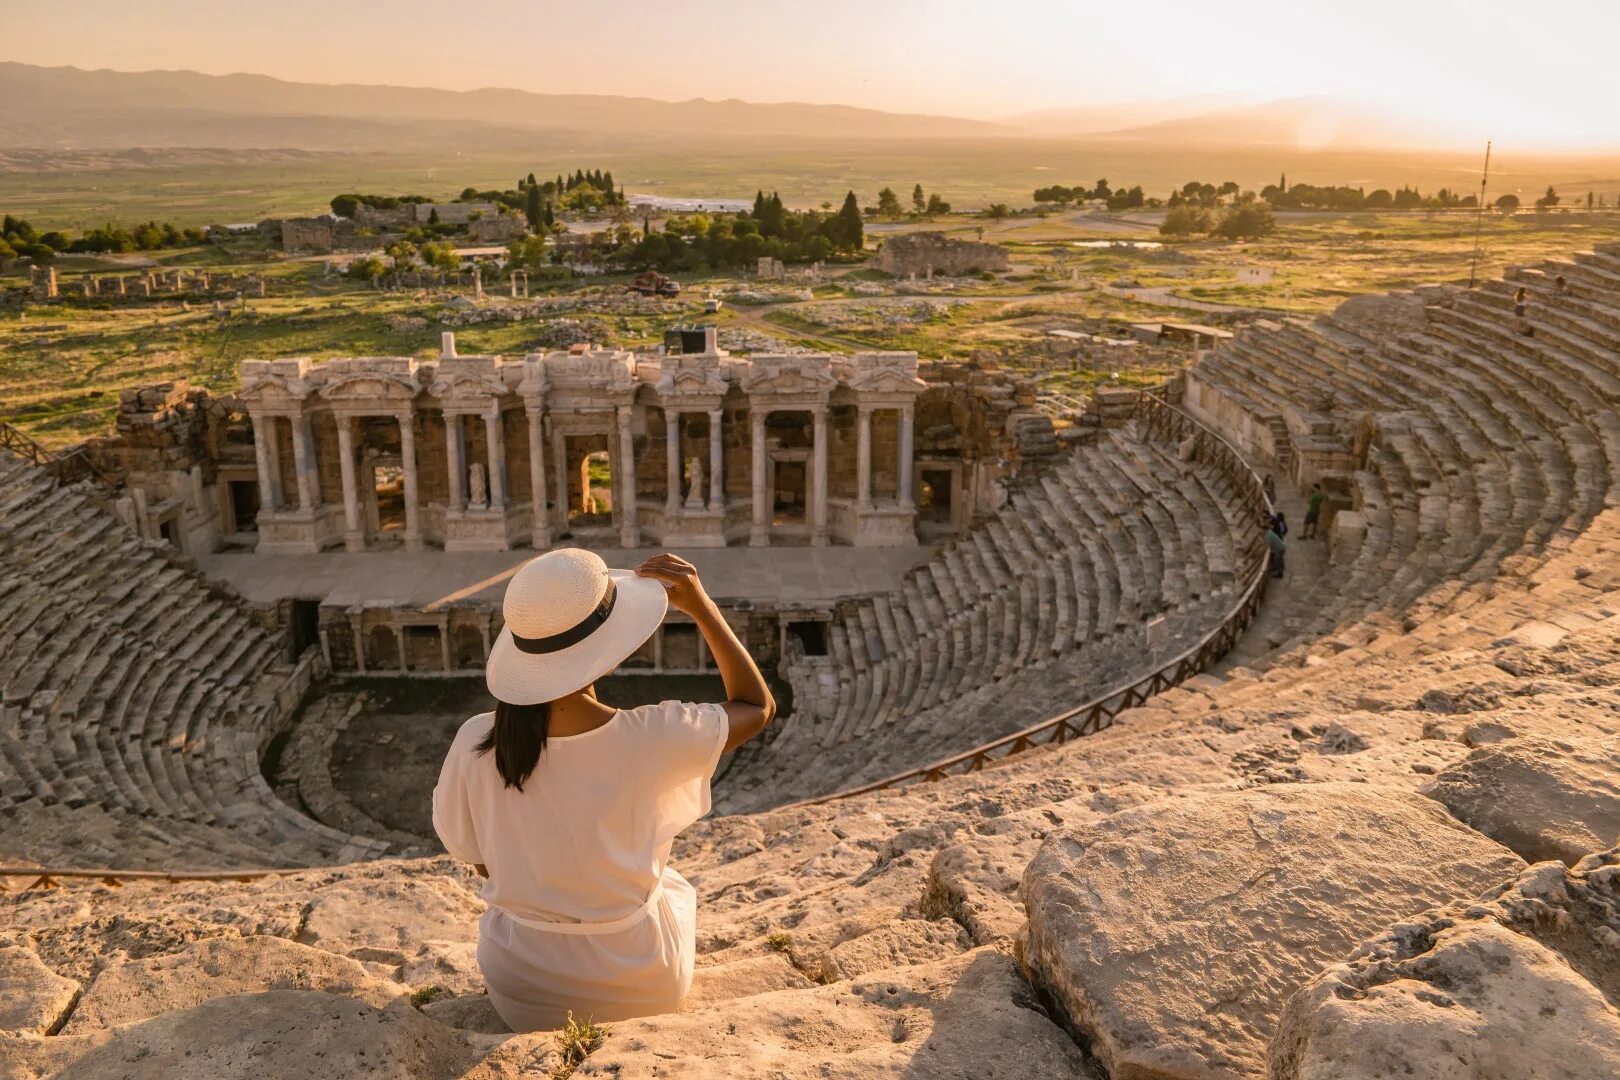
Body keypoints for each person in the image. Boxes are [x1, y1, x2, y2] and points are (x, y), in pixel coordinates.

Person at [433, 548, 776, 1032]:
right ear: (608, 654)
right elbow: (756, 705)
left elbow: (478, 858)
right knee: (669, 886)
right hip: (640, 981)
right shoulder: (656, 735)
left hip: (522, 985)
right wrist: (704, 609)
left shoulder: (475, 740)